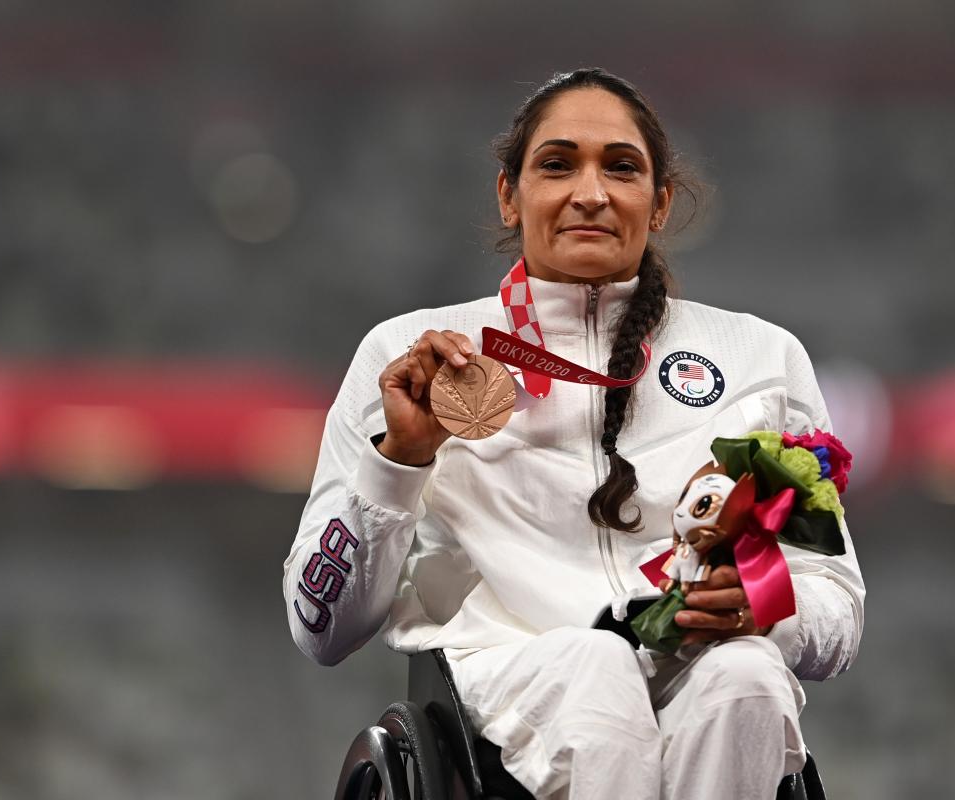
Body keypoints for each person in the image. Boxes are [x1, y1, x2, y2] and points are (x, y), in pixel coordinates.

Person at [283, 68, 865, 800]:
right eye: (557, 164)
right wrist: (402, 458)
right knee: (598, 673)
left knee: (748, 676)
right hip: (513, 677)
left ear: (659, 205)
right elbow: (321, 628)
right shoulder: (411, 356)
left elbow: (836, 604)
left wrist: (767, 606)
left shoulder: (761, 358)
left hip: (698, 662)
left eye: (621, 167)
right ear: (508, 194)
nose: (590, 192)